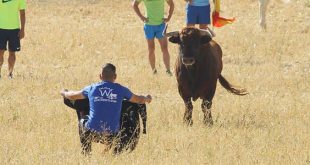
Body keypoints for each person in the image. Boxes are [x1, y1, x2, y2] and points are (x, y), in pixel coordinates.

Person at [60, 63, 152, 155]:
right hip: (113, 134)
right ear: (115, 76)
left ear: (100, 76)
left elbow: (72, 96)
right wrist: (147, 98)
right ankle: (113, 155)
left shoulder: (92, 88)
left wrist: (64, 92)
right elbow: (138, 99)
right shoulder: (121, 90)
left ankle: (86, 153)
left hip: (92, 132)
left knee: (82, 121)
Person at [132, 0, 174, 76]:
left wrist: (169, 17)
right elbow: (134, 5)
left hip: (161, 25)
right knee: (151, 49)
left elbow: (171, 4)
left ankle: (168, 70)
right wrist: (141, 17)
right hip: (149, 26)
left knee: (164, 48)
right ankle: (154, 71)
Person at [0, 0, 26, 79]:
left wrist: (22, 29)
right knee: (0, 52)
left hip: (14, 30)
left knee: (12, 53)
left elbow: (22, 13)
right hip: (1, 29)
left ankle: (10, 74)